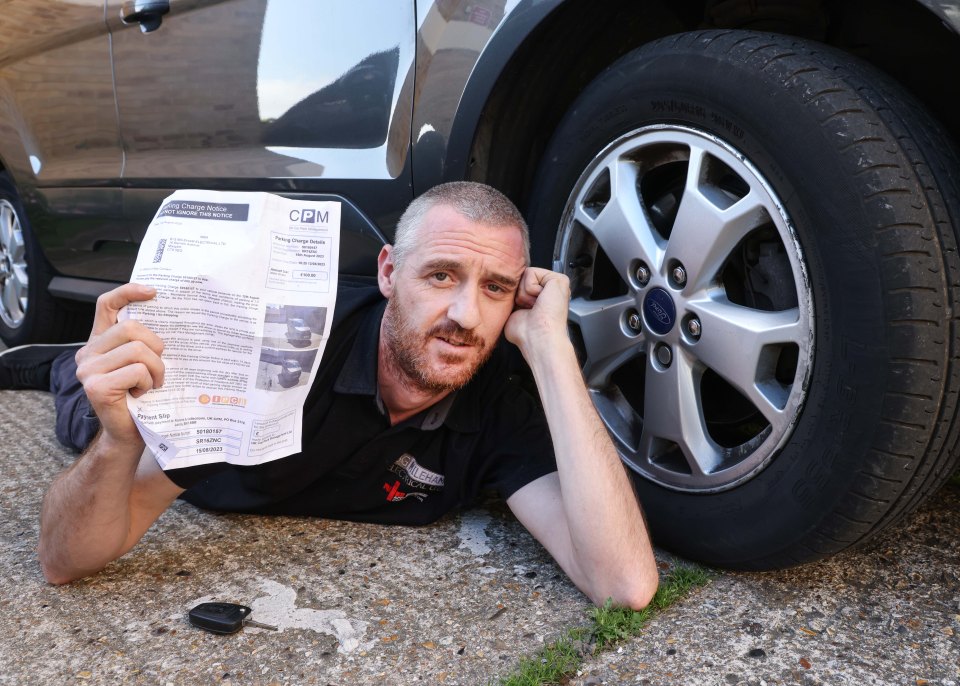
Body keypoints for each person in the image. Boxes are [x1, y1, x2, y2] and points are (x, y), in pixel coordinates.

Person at [8, 182, 657, 608]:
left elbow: (624, 585)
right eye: (441, 275)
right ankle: (47, 360)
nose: (465, 314)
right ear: (388, 272)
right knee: (83, 392)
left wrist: (552, 351)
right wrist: (118, 438)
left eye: (494, 288)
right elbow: (65, 561)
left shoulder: (496, 402)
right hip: (192, 426)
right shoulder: (282, 354)